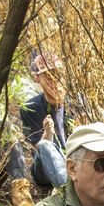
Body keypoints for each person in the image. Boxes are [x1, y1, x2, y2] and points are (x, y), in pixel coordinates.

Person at [20, 52, 74, 188]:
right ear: (37, 79)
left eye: (57, 74)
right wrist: (48, 134)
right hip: (44, 171)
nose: (54, 80)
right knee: (44, 145)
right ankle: (69, 191)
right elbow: (38, 150)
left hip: (74, 164)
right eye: (48, 76)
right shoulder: (30, 108)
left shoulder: (77, 102)